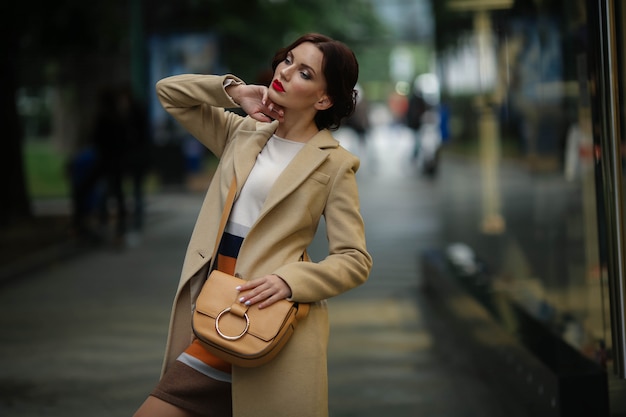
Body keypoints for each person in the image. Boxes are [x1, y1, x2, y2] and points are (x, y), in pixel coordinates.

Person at [133, 33, 373, 417]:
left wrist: (290, 281)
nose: (286, 71)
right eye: (288, 60)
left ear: (324, 99)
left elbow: (354, 258)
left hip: (268, 322)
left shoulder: (334, 164)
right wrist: (235, 91)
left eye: (305, 73)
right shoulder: (241, 132)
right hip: (214, 308)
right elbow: (169, 93)